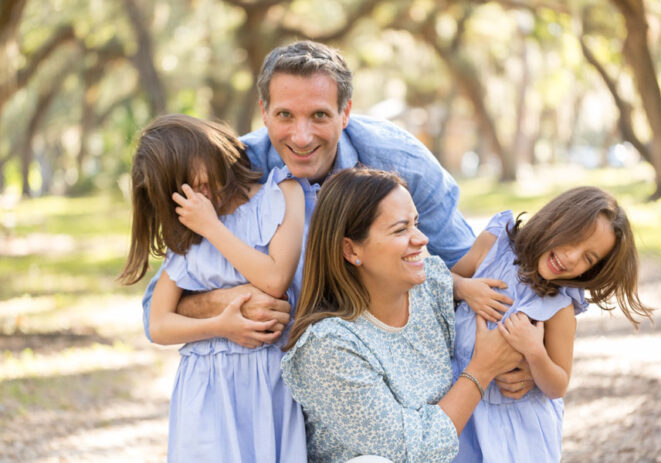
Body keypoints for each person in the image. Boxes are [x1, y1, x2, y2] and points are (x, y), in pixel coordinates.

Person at [140, 40, 532, 396]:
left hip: (385, 364)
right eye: (285, 115)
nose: (302, 135)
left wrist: (528, 359)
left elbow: (474, 269)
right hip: (279, 374)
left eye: (319, 115)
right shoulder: (233, 172)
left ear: (345, 112)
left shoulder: (400, 163)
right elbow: (156, 307)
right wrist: (227, 302)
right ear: (263, 112)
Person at [281, 168, 524, 462]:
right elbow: (411, 453)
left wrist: (525, 372)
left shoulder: (429, 286)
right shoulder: (329, 347)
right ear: (350, 248)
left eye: (416, 224)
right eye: (400, 230)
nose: (421, 239)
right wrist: (482, 370)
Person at [119, 114, 307, 462]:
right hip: (207, 388)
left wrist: (213, 228)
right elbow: (158, 325)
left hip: (269, 383)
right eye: (183, 188)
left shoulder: (281, 194)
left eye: (198, 179)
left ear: (209, 147)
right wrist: (220, 326)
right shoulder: (189, 232)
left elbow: (275, 280)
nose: (198, 192)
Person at [450, 186, 654, 462]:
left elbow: (558, 384)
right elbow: (443, 282)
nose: (572, 257)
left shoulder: (559, 307)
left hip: (517, 428)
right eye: (574, 238)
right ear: (557, 217)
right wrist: (464, 288)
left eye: (588, 258)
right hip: (461, 405)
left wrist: (535, 354)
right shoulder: (493, 247)